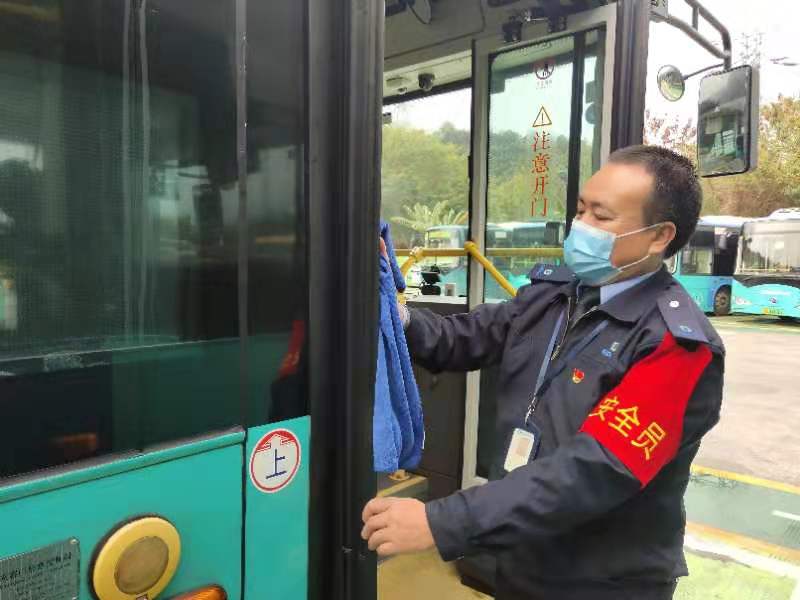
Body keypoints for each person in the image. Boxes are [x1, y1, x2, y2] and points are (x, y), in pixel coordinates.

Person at [362, 145, 724, 600]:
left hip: (600, 582)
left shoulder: (678, 347)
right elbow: (461, 338)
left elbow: (593, 471)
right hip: (521, 558)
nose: (581, 226)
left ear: (658, 236)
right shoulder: (553, 296)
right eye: (580, 209)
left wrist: (441, 522)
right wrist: (394, 314)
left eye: (601, 216)